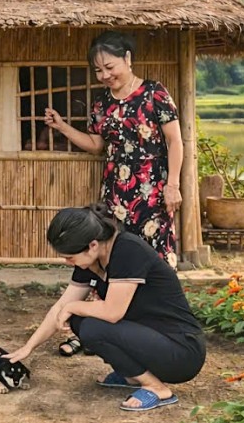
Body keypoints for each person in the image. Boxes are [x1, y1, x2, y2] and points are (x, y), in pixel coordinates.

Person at [5, 204, 206, 411]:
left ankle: (156, 388)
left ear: (92, 245)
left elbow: (112, 312)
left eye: (70, 257)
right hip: (150, 341)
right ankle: (132, 376)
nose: (67, 262)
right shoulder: (91, 261)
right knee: (79, 321)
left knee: (92, 327)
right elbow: (61, 307)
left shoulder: (127, 250)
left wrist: (75, 306)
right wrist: (29, 347)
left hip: (181, 351)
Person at [43, 31, 184, 269]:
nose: (105, 75)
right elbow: (97, 145)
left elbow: (175, 141)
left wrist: (173, 185)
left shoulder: (154, 93)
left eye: (109, 66)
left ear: (127, 59)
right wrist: (62, 127)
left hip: (153, 191)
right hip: (115, 193)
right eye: (98, 70)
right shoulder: (102, 103)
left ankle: (156, 303)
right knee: (116, 251)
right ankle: (116, 304)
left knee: (153, 251)